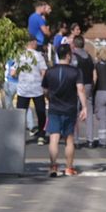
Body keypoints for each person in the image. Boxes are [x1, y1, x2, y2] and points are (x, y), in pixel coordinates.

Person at [40, 43, 88, 177]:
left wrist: (49, 98)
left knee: (53, 138)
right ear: (68, 55)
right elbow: (80, 89)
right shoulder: (75, 71)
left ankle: (53, 166)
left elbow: (45, 89)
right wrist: (84, 107)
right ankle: (69, 167)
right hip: (70, 108)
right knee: (69, 139)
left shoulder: (50, 71)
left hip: (54, 108)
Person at [10, 36, 48, 144]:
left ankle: (19, 138)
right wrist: (42, 83)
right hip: (37, 88)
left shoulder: (20, 55)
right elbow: (44, 71)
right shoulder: (38, 55)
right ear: (33, 42)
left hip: (23, 89)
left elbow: (12, 73)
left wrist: (20, 76)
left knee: (21, 114)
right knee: (41, 113)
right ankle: (41, 135)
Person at [71, 35, 93, 149]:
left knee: (75, 113)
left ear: (74, 45)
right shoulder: (89, 56)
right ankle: (90, 139)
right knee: (88, 112)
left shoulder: (74, 57)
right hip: (89, 84)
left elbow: (72, 71)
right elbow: (93, 71)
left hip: (78, 86)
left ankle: (76, 140)